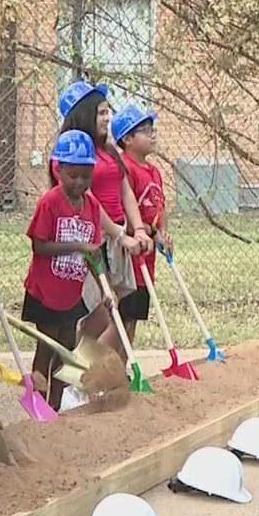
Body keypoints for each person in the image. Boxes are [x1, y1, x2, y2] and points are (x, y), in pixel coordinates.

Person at [25, 130, 134, 409]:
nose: (80, 183)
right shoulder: (50, 203)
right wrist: (76, 245)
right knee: (46, 348)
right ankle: (37, 405)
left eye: (86, 177)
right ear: (58, 170)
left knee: (66, 353)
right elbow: (39, 245)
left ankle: (55, 407)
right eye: (73, 176)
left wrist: (105, 290)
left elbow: (94, 255)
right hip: (45, 291)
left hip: (70, 295)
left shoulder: (92, 206)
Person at [55, 80, 152, 352]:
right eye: (101, 112)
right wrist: (118, 234)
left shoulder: (108, 151)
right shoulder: (70, 153)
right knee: (99, 309)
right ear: (83, 114)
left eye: (108, 111)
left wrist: (138, 229)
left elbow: (125, 191)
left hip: (117, 236)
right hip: (91, 239)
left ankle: (101, 372)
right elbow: (88, 200)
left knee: (116, 307)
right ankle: (80, 372)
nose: (108, 117)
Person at [112, 103, 169, 343]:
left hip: (148, 259)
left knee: (134, 317)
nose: (152, 134)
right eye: (145, 130)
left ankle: (125, 366)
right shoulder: (125, 168)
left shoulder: (154, 171)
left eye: (152, 129)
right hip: (130, 260)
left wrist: (163, 233)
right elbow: (125, 208)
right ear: (127, 138)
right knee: (121, 319)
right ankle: (109, 366)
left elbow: (159, 207)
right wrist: (144, 230)